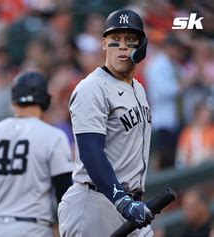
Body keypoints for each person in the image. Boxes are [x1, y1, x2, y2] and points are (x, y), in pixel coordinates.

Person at [58, 9, 154, 237]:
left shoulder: (138, 88)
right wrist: (121, 199)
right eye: (115, 40)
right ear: (104, 44)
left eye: (130, 40)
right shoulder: (92, 87)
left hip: (129, 204)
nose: (122, 46)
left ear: (142, 47)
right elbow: (91, 151)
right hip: (95, 204)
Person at [0, 71, 74, 236]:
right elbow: (64, 193)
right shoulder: (54, 136)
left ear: (14, 101)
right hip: (34, 228)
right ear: (45, 100)